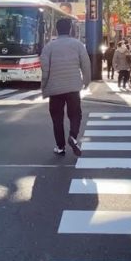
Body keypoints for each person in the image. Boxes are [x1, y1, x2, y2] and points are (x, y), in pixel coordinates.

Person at [40, 17, 91, 157]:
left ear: (56, 30)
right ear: (70, 30)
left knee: (57, 118)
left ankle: (60, 147)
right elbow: (86, 65)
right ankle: (73, 136)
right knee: (75, 114)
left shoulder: (49, 47)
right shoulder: (78, 45)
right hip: (73, 87)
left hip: (55, 88)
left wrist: (44, 87)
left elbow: (45, 70)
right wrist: (86, 81)